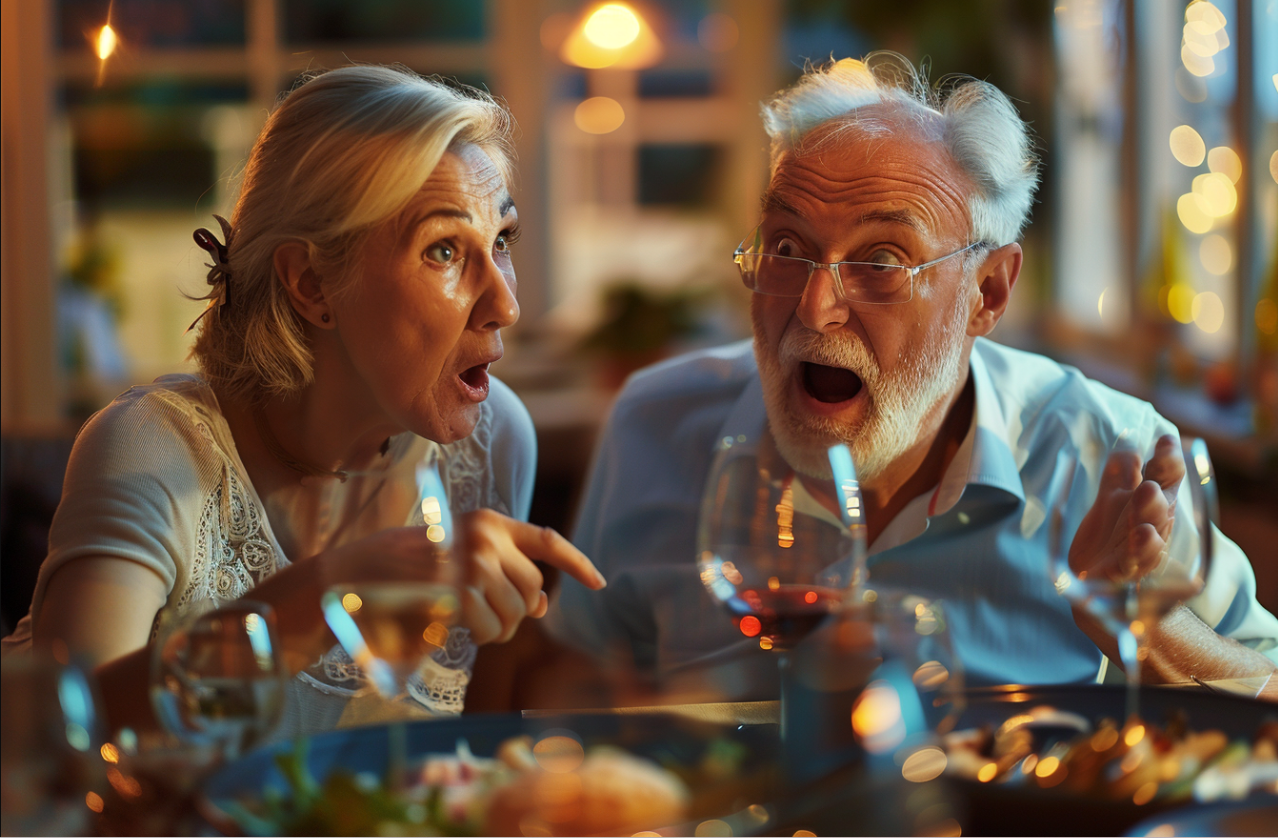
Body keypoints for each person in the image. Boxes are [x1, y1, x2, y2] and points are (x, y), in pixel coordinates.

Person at [548, 53, 1277, 700]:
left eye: (882, 262)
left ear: (987, 293)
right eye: (789, 246)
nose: (814, 305)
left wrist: (1148, 624)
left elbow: (1266, 685)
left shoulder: (1107, 453)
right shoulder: (654, 422)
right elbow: (566, 679)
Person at [2, 65, 605, 735]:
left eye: (502, 242)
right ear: (311, 284)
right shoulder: (152, 450)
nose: (507, 304)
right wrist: (331, 592)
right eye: (443, 250)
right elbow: (60, 742)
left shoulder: (492, 443)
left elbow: (476, 759)